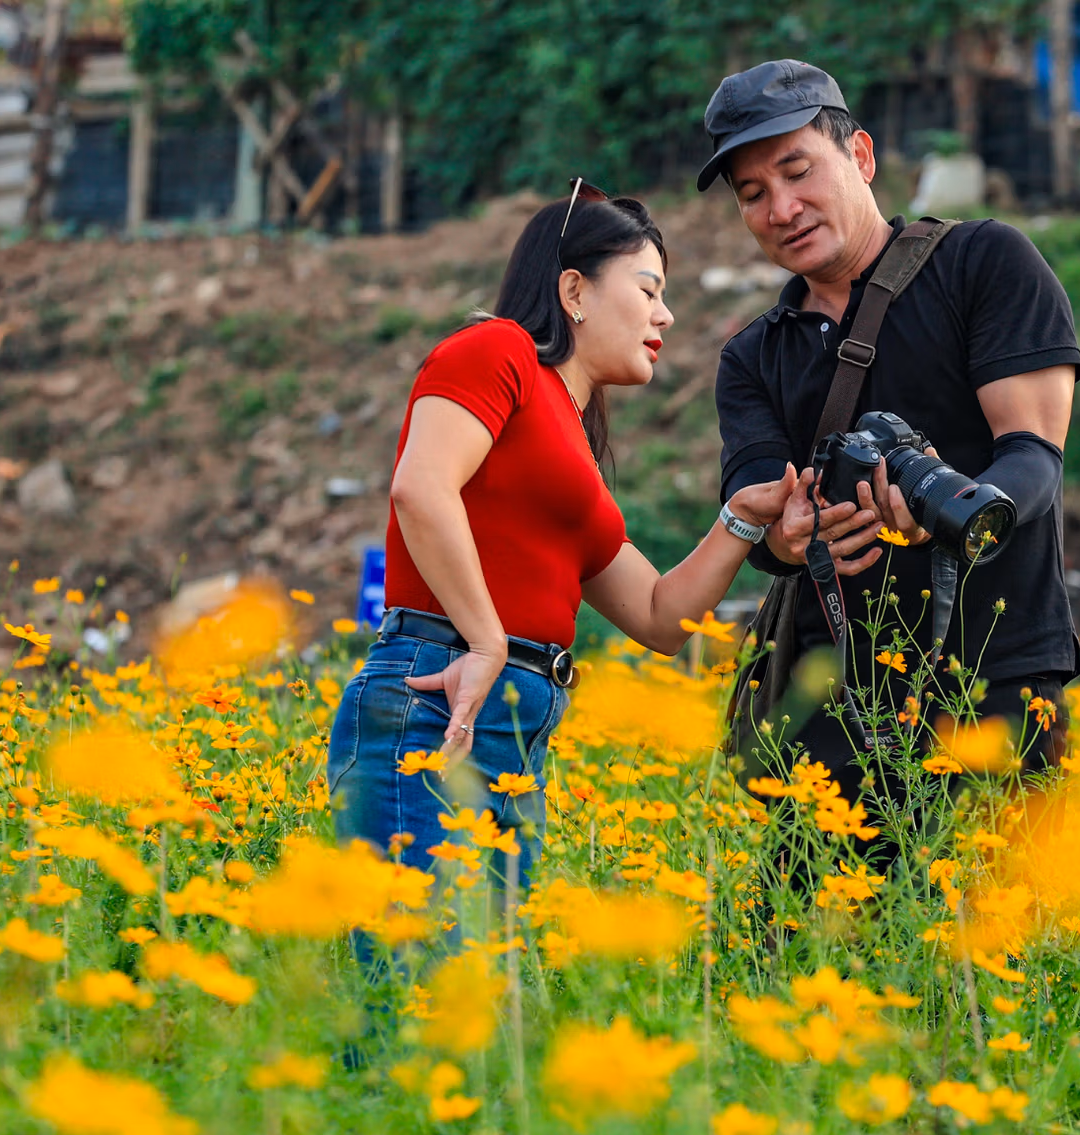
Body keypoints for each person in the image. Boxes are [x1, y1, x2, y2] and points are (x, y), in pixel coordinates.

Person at [327, 184, 803, 895]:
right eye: (648, 290)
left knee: (484, 962)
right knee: (422, 955)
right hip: (440, 695)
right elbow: (421, 489)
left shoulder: (571, 442)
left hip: (514, 723)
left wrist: (742, 518)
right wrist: (486, 642)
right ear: (574, 291)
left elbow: (659, 618)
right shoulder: (497, 349)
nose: (665, 314)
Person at [701, 61, 1080, 851]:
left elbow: (1034, 457)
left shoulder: (983, 264)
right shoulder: (753, 356)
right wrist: (793, 535)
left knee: (1002, 924)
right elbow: (757, 510)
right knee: (816, 928)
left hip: (995, 682)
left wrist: (952, 510)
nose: (781, 209)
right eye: (753, 193)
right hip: (832, 703)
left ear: (862, 156)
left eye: (798, 172)